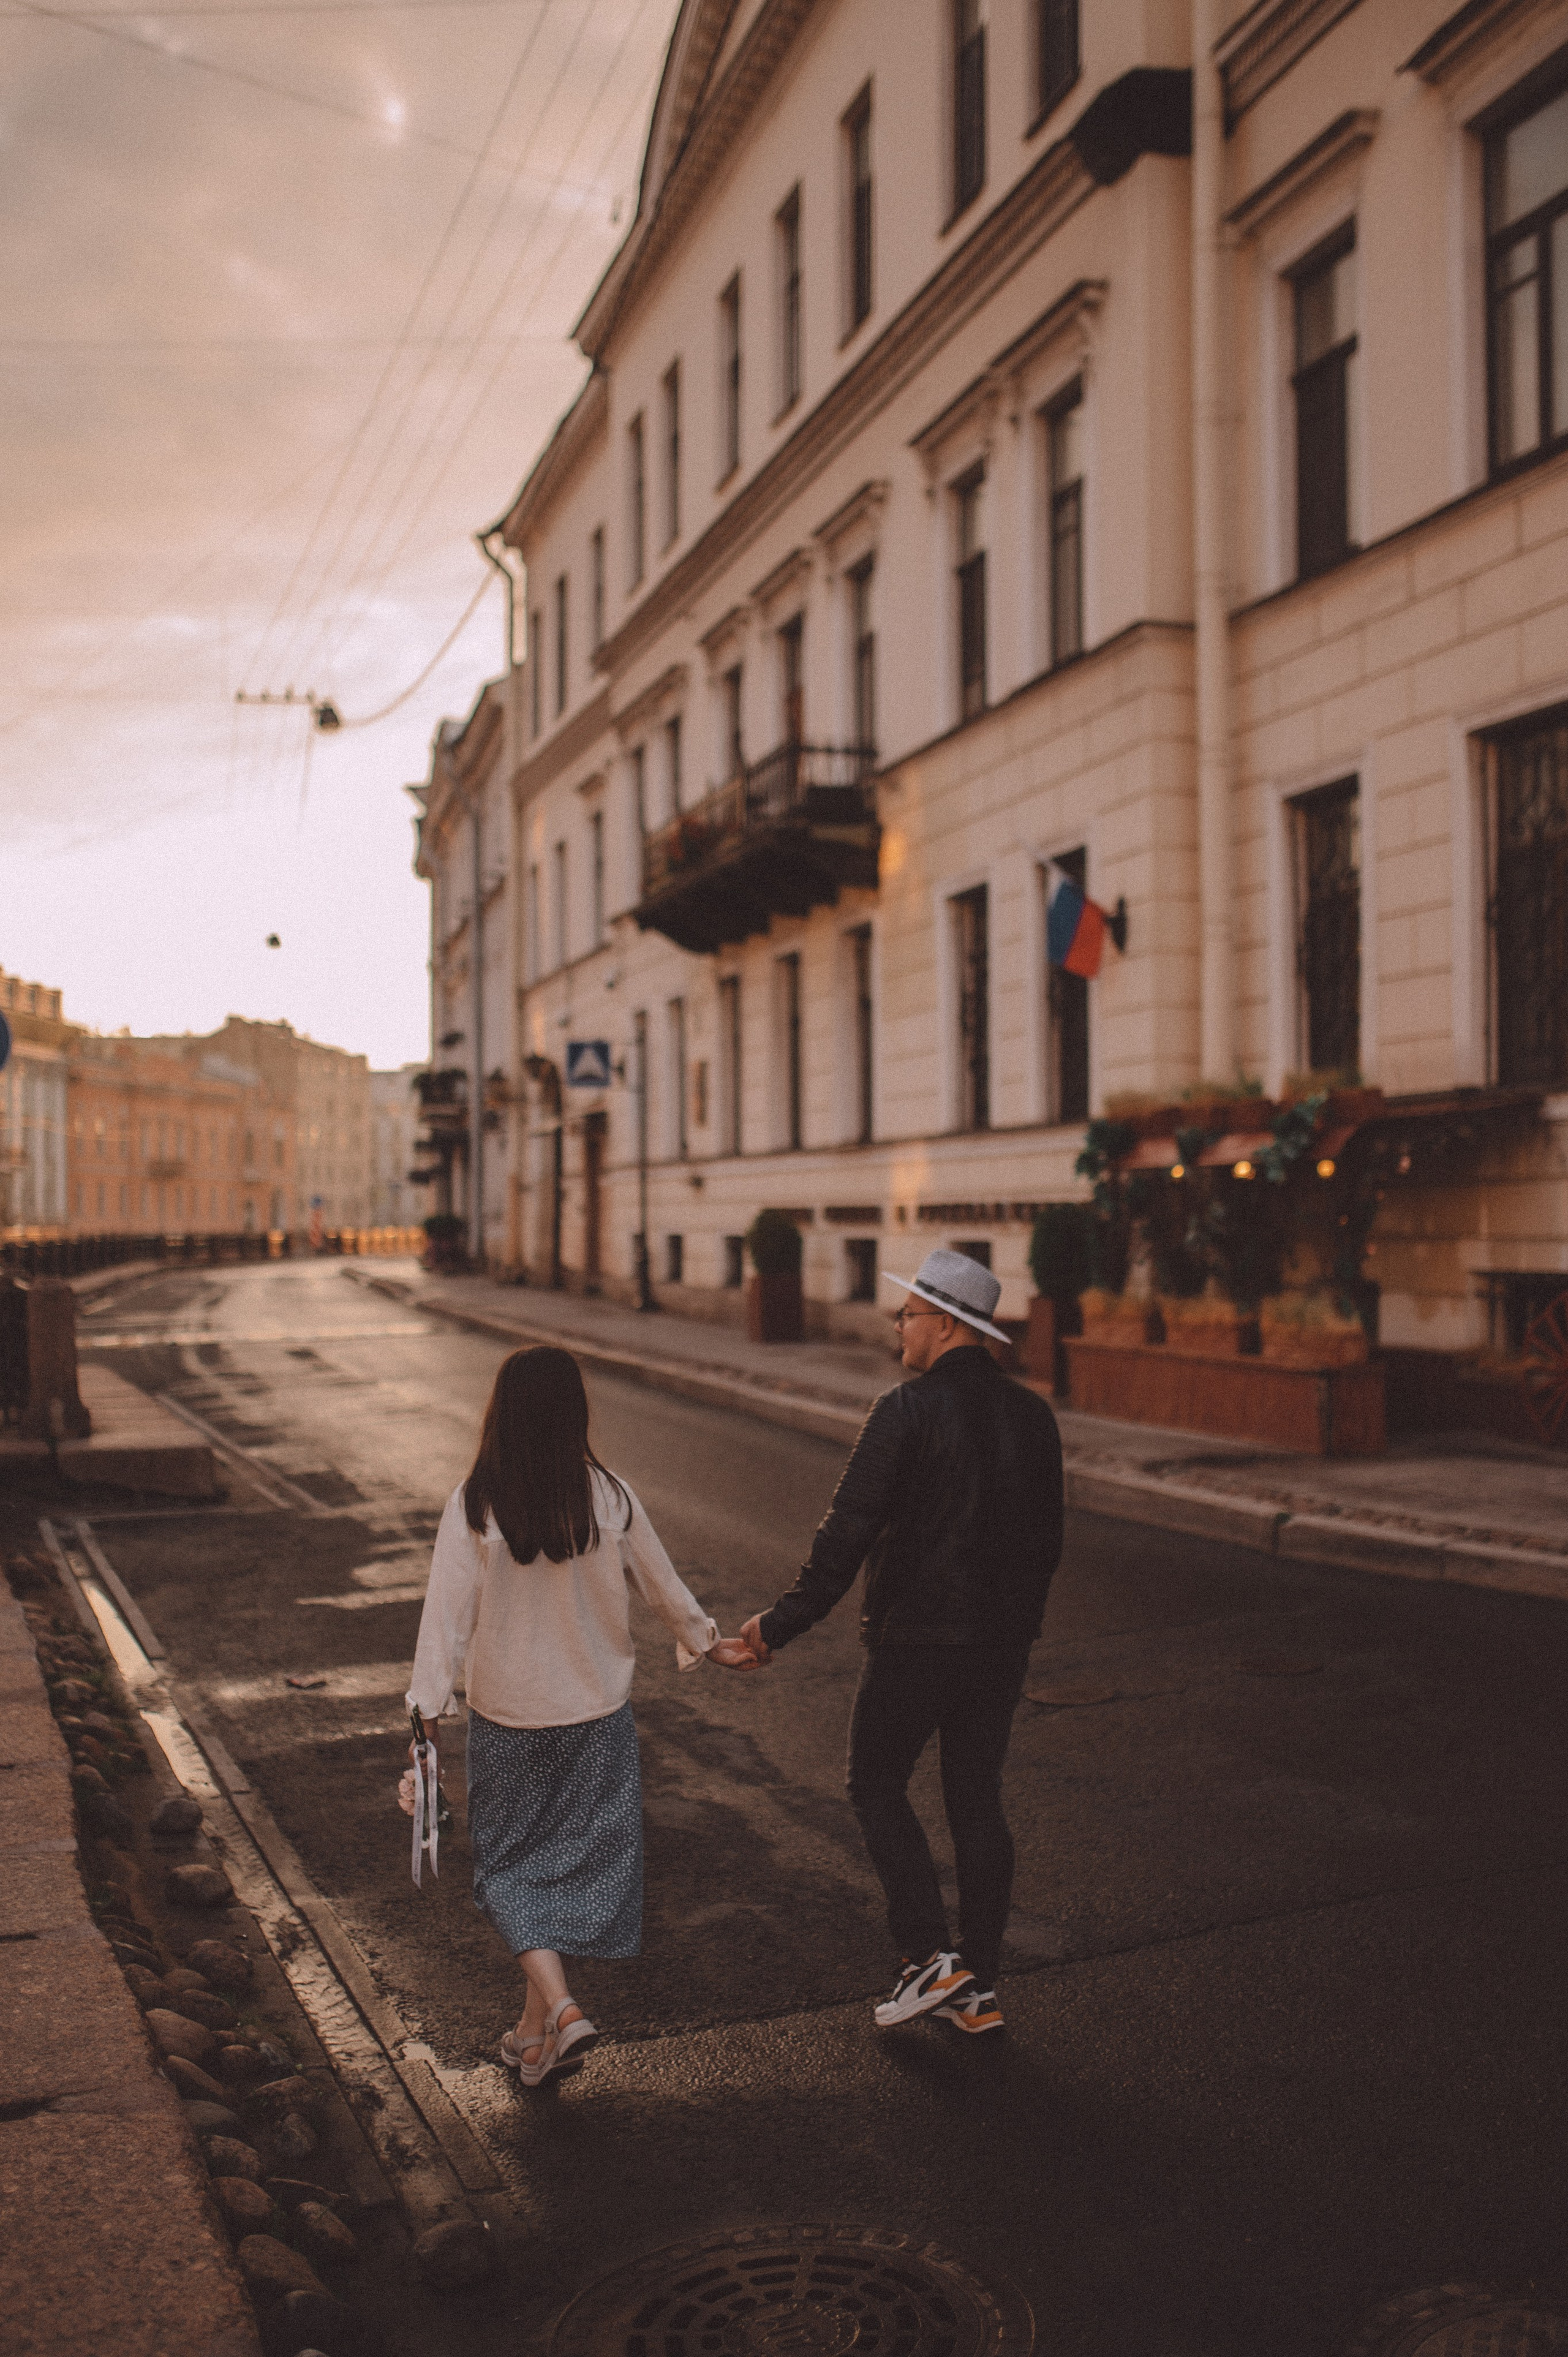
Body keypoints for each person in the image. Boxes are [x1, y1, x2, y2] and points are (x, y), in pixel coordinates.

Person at [404, 1344, 756, 2087]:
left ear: (501, 1411)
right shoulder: (610, 1495)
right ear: (574, 1411)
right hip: (596, 1716)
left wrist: (426, 1715)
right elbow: (662, 1582)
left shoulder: (476, 1502)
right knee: (568, 1871)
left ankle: (560, 2012)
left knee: (506, 1870)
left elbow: (445, 1619)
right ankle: (532, 2038)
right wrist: (708, 1641)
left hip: (509, 1718)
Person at [741, 1247, 1063, 2039]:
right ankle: (977, 1982)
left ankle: (926, 1954)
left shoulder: (906, 1409)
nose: (899, 1325)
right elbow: (1047, 1541)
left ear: (947, 1324)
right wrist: (1016, 1625)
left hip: (917, 1639)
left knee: (875, 1782)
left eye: (909, 1314)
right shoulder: (1033, 1416)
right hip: (1000, 1644)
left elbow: (846, 1533)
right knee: (976, 1799)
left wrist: (776, 1625)